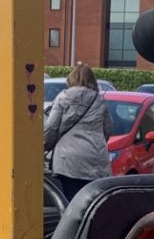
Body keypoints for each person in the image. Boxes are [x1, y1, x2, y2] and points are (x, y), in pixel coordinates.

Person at [44, 62, 113, 200]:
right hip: (95, 159)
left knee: (71, 200)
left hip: (68, 160)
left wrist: (45, 146)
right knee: (90, 201)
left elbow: (51, 127)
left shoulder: (63, 98)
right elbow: (108, 129)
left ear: (71, 79)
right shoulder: (99, 100)